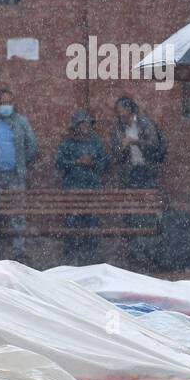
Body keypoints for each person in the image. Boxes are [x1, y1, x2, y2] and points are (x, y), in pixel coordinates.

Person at [0, 88, 39, 261]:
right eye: (3, 102)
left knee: (17, 213)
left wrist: (21, 164)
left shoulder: (21, 122)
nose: (6, 106)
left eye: (9, 102)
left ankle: (19, 253)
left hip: (15, 176)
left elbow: (33, 146)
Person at [55, 109, 110, 264]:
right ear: (76, 126)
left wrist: (93, 163)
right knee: (72, 226)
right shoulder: (67, 144)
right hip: (72, 190)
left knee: (92, 225)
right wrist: (76, 162)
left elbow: (105, 163)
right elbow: (59, 163)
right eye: (82, 124)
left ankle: (91, 259)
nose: (86, 127)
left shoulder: (97, 143)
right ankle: (71, 259)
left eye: (88, 123)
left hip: (92, 190)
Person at [108, 95, 165, 188]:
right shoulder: (118, 129)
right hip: (130, 172)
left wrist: (136, 142)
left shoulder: (145, 123)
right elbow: (116, 153)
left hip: (148, 169)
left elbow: (154, 144)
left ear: (129, 109)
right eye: (118, 112)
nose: (119, 114)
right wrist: (122, 147)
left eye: (121, 110)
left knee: (148, 197)